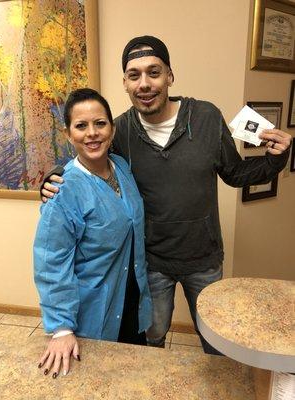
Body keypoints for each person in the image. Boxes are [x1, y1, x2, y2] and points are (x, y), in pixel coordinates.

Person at [41, 36, 292, 353]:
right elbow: (89, 158)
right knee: (152, 335)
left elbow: (236, 174)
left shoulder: (205, 118)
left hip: (203, 259)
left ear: (170, 76)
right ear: (126, 83)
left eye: (154, 72)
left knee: (215, 342)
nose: (144, 83)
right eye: (135, 75)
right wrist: (54, 176)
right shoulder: (120, 131)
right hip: (152, 263)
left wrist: (275, 159)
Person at [34, 88, 152, 379]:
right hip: (92, 312)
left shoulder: (122, 168)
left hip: (132, 299)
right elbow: (51, 263)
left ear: (112, 128)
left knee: (132, 378)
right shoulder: (63, 191)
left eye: (100, 123)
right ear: (68, 133)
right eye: (81, 125)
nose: (92, 133)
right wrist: (62, 328)